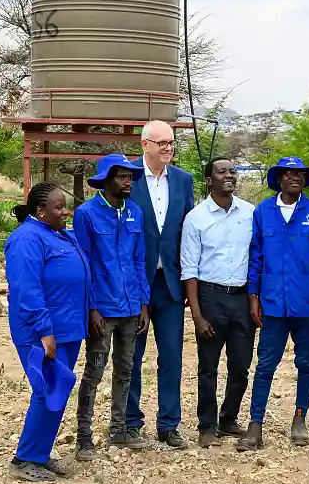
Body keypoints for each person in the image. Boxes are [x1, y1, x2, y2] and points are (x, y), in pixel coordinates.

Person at [236, 157, 309, 452]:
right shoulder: (263, 212)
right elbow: (256, 257)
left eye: (300, 174)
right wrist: (253, 296)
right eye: (289, 173)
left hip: (308, 303)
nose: (295, 177)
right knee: (265, 364)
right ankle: (255, 424)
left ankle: (300, 418)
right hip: (272, 304)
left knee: (306, 363)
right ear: (279, 179)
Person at [4, 181, 93, 481]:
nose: (65, 212)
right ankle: (25, 459)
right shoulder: (26, 239)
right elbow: (26, 289)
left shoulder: (58, 234)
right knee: (47, 391)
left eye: (65, 206)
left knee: (58, 391)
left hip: (67, 329)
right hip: (41, 332)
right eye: (59, 207)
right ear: (40, 210)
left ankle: (39, 454)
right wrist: (44, 331)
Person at [72, 154, 151, 460]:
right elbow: (85, 264)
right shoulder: (86, 214)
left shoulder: (135, 212)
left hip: (131, 307)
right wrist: (91, 308)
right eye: (122, 177)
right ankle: (84, 438)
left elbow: (139, 260)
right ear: (106, 181)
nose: (128, 182)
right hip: (103, 310)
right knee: (95, 370)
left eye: (130, 177)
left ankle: (119, 431)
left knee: (126, 370)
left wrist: (143, 302)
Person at [126, 120, 196, 449]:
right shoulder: (127, 177)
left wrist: (190, 279)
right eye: (162, 143)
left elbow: (188, 231)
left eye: (171, 142)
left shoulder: (183, 180)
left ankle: (169, 424)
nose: (168, 148)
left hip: (170, 283)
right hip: (135, 283)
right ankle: (129, 422)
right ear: (145, 145)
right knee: (131, 356)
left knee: (171, 356)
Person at [180, 157, 256, 447]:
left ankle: (228, 418)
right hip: (210, 297)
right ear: (209, 180)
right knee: (208, 366)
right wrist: (197, 315)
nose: (229, 176)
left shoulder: (249, 213)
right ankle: (207, 426)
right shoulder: (196, 218)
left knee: (240, 365)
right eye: (221, 172)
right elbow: (189, 269)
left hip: (242, 298)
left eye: (232, 171)